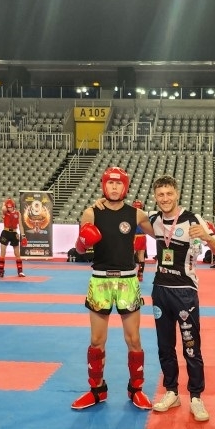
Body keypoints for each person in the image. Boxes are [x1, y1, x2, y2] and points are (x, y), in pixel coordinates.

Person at [72, 167, 154, 411]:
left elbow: (162, 234)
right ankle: (97, 391)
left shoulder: (137, 214)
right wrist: (84, 239)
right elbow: (79, 249)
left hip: (128, 281)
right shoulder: (91, 212)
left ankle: (136, 390)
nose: (115, 187)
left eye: (119, 183)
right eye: (110, 183)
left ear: (125, 186)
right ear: (104, 186)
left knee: (134, 339)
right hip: (100, 281)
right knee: (97, 340)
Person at [149, 174, 215, 421]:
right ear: (155, 197)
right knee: (165, 346)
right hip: (160, 290)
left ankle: (196, 397)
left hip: (185, 292)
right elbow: (127, 216)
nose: (165, 198)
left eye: (169, 193)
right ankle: (171, 392)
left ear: (177, 194)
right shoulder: (154, 220)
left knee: (191, 346)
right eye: (160, 195)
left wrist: (207, 237)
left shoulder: (193, 219)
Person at [0, 198, 25, 278]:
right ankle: (0, 272)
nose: (8, 208)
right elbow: (3, 209)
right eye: (7, 207)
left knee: (17, 253)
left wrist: (23, 235)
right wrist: (5, 203)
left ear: (13, 206)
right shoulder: (5, 212)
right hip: (5, 232)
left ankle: (20, 271)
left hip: (14, 233)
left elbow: (20, 225)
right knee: (3, 252)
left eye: (10, 207)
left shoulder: (18, 213)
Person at [132, 199, 147, 281]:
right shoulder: (144, 215)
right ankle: (140, 275)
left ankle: (129, 272)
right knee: (141, 256)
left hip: (135, 237)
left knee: (130, 255)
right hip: (143, 237)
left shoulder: (133, 215)